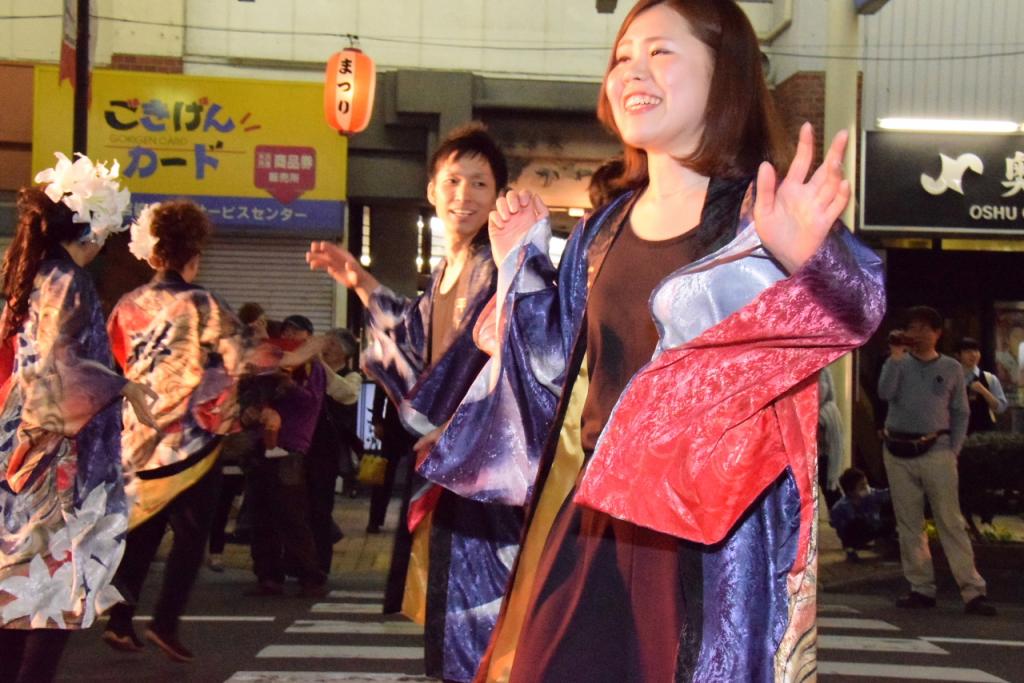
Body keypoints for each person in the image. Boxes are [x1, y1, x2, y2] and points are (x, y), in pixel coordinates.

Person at [422, 2, 885, 680]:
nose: (631, 70)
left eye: (660, 52)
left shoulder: (762, 213)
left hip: (712, 539)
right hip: (595, 523)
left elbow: (859, 308)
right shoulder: (601, 228)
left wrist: (811, 258)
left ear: (724, 73)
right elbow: (553, 366)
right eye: (622, 55)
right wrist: (519, 268)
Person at [308, 124, 521, 683]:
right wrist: (356, 279)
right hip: (450, 461)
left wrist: (455, 427)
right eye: (453, 180)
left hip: (484, 467)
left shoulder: (498, 269)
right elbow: (410, 336)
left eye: (480, 183)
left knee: (481, 609)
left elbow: (508, 367)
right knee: (456, 606)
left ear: (498, 195)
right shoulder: (448, 271)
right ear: (432, 189)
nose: (464, 195)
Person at [0, 154, 156, 683]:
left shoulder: (32, 277)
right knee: (53, 593)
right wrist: (125, 385)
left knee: (17, 594)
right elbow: (60, 370)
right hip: (56, 469)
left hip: (19, 452)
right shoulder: (68, 282)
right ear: (91, 226)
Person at [103, 199, 282, 662]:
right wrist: (298, 352)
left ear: (155, 253)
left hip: (140, 441)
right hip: (189, 444)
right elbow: (245, 358)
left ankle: (122, 621)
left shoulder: (127, 305)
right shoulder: (201, 303)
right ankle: (165, 621)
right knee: (191, 534)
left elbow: (116, 364)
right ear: (193, 255)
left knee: (144, 531)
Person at [878, 306, 996, 616]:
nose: (916, 333)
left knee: (950, 521)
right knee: (909, 524)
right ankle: (921, 587)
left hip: (936, 448)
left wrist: (952, 450)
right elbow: (884, 392)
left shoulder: (952, 368)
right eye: (911, 327)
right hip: (898, 449)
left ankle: (972, 590)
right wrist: (895, 356)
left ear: (937, 333)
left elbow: (960, 412)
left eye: (923, 328)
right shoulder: (898, 363)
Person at [246, 314, 329, 597]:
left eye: (296, 330)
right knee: (261, 513)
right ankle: (268, 575)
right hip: (263, 442)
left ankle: (310, 575)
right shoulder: (270, 361)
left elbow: (311, 403)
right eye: (287, 330)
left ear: (308, 335)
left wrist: (289, 384)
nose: (291, 335)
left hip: (291, 446)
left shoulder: (312, 368)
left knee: (291, 512)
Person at [306, 326, 364, 573]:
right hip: (303, 446)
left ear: (344, 353)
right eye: (324, 344)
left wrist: (320, 366)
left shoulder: (352, 376)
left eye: (330, 345)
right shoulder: (310, 372)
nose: (324, 349)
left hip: (327, 450)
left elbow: (345, 393)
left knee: (320, 508)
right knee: (300, 507)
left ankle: (320, 567)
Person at [829, 468, 895, 561]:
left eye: (866, 484)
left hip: (873, 526)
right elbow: (836, 524)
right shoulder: (840, 507)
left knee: (889, 522)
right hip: (855, 533)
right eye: (862, 486)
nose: (866, 488)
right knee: (854, 524)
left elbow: (885, 494)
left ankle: (889, 547)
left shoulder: (871, 495)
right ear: (850, 491)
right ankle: (850, 550)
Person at [956, 337, 1008, 434]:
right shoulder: (952, 379)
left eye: (976, 351)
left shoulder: (990, 378)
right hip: (957, 432)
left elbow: (1001, 408)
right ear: (958, 355)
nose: (973, 355)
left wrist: (984, 391)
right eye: (968, 351)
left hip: (984, 433)